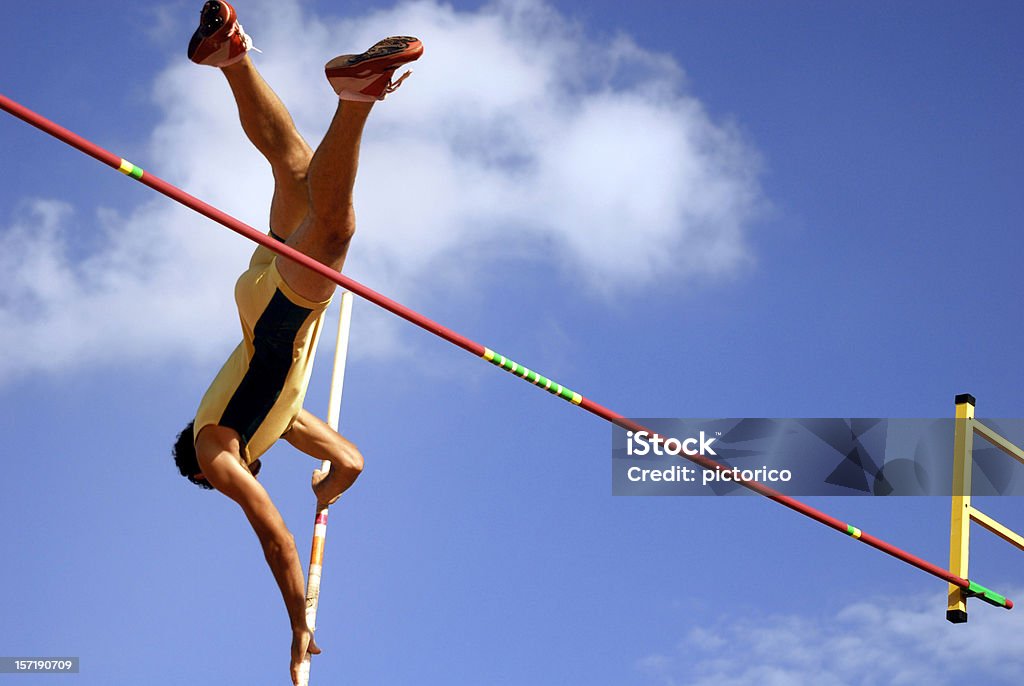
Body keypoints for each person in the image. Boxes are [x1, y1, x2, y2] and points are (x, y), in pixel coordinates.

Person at [169, 2, 422, 683]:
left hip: (279, 314)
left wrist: (297, 625)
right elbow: (348, 457)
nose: (240, 480)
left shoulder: (214, 446)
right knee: (297, 169)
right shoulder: (274, 421)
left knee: (335, 228)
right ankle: (231, 55)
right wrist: (331, 485)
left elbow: (275, 539)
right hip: (262, 293)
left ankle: (357, 97)